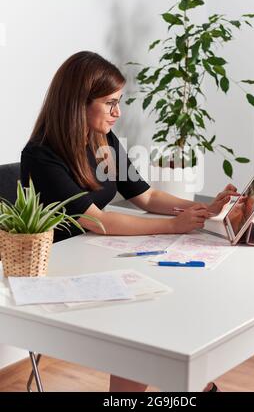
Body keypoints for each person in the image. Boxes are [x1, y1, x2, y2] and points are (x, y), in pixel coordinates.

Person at [21, 51, 238, 392]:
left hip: (96, 260)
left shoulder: (103, 142)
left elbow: (146, 196)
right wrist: (172, 226)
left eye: (118, 102)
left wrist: (201, 210)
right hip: (57, 275)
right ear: (79, 102)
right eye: (109, 103)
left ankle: (193, 387)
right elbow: (97, 221)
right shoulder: (41, 155)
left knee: (167, 299)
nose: (117, 113)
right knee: (145, 318)